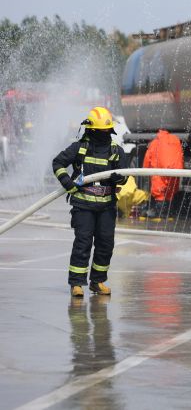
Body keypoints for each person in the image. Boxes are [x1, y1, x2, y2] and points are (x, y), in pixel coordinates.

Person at [52, 106, 127, 297]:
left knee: (105, 244)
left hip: (107, 206)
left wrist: (120, 178)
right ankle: (77, 284)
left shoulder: (116, 151)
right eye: (101, 131)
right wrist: (68, 183)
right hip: (83, 205)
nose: (104, 134)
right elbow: (58, 163)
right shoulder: (79, 148)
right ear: (91, 130)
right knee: (83, 243)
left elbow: (125, 176)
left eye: (106, 131)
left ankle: (98, 281)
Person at [143, 129, 184, 219]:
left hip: (159, 172)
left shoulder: (155, 142)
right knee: (170, 192)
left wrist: (145, 169)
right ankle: (169, 213)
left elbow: (147, 158)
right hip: (174, 171)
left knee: (159, 192)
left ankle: (160, 213)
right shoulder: (175, 140)